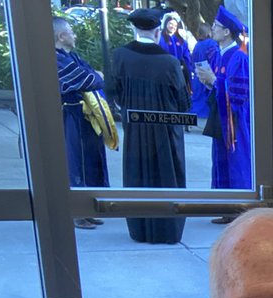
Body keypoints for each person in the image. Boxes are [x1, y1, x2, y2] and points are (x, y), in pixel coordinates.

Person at [109, 9, 188, 245]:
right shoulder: (170, 62)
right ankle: (166, 230)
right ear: (157, 32)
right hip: (166, 133)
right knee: (167, 176)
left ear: (135, 30)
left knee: (137, 174)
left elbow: (115, 94)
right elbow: (183, 103)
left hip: (136, 131)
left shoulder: (120, 56)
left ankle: (139, 229)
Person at [53, 16, 109, 230]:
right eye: (71, 31)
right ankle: (77, 212)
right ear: (61, 36)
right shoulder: (56, 59)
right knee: (75, 163)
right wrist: (95, 76)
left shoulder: (71, 56)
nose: (74, 35)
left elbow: (93, 76)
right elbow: (90, 79)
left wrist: (95, 76)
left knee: (90, 163)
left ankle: (88, 209)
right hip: (70, 118)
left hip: (84, 117)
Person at [196, 6, 251, 212]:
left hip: (234, 122)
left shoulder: (239, 57)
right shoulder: (218, 54)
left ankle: (239, 209)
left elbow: (239, 94)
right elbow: (221, 85)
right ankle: (223, 207)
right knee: (219, 160)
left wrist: (214, 81)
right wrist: (209, 82)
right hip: (220, 117)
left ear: (227, 32)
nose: (212, 28)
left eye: (216, 26)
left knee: (236, 162)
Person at [157, 11, 193, 109]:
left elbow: (187, 56)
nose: (173, 26)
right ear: (166, 24)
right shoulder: (160, 38)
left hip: (179, 73)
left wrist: (184, 66)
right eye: (170, 24)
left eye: (175, 25)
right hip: (165, 73)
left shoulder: (181, 40)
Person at [189, 23, 218, 119]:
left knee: (197, 99)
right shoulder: (212, 44)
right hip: (208, 76)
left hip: (198, 77)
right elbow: (214, 60)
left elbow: (192, 62)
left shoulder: (197, 45)